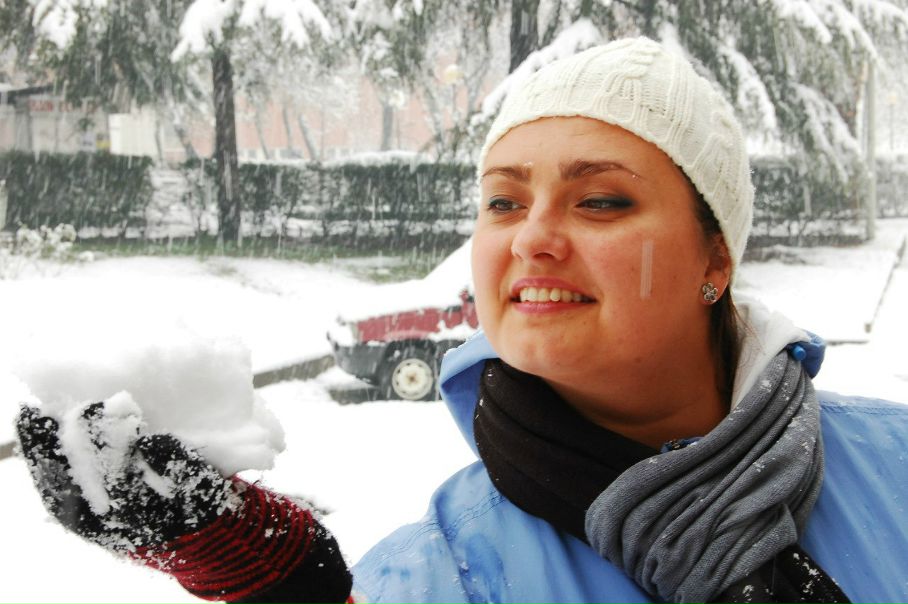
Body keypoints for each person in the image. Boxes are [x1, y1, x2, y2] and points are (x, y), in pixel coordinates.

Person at [15, 37, 908, 604]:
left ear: (715, 258)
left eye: (600, 200)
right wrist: (284, 588)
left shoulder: (897, 465)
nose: (533, 238)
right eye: (502, 202)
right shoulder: (444, 573)